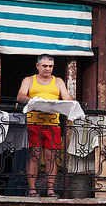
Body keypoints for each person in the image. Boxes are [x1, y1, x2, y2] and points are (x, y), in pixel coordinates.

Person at [17, 54, 72, 197]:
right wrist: (35, 101)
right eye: (45, 66)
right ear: (37, 66)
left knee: (51, 157)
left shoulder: (58, 81)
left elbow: (66, 97)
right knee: (34, 155)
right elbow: (20, 96)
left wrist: (71, 100)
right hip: (33, 123)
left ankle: (50, 190)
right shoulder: (29, 80)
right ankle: (32, 190)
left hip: (53, 124)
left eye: (51, 66)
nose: (48, 69)